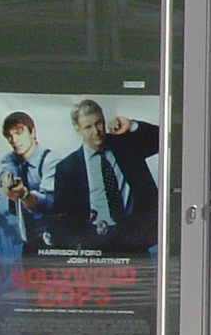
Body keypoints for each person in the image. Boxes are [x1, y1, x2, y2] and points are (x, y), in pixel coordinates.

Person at [50, 99, 159, 255]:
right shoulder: (67, 168)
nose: (96, 131)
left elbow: (162, 139)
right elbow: (62, 215)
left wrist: (131, 125)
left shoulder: (126, 145)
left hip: (135, 238)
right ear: (77, 129)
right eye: (88, 127)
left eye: (99, 123)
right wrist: (76, 244)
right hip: (95, 242)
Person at [0, 111, 55, 253]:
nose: (14, 140)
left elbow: (49, 203)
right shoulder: (12, 158)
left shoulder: (51, 161)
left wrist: (24, 195)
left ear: (32, 132)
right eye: (9, 136)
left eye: (19, 132)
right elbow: (6, 167)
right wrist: (6, 181)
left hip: (53, 242)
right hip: (29, 244)